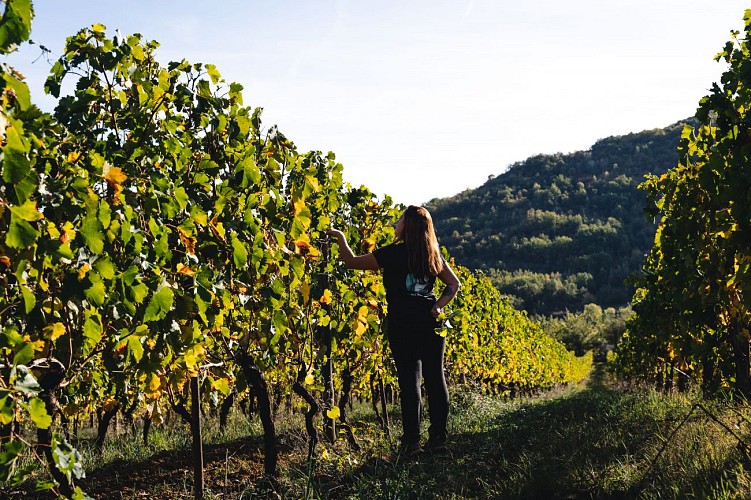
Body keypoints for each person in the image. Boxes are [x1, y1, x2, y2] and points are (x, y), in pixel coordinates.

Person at [326, 205, 461, 457]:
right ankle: (439, 442)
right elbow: (454, 284)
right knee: (436, 379)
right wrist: (438, 306)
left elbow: (351, 262)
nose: (395, 224)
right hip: (430, 322)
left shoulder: (392, 254)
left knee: (410, 381)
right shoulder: (433, 255)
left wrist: (340, 238)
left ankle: (411, 443)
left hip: (403, 322)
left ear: (407, 226)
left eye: (399, 220)